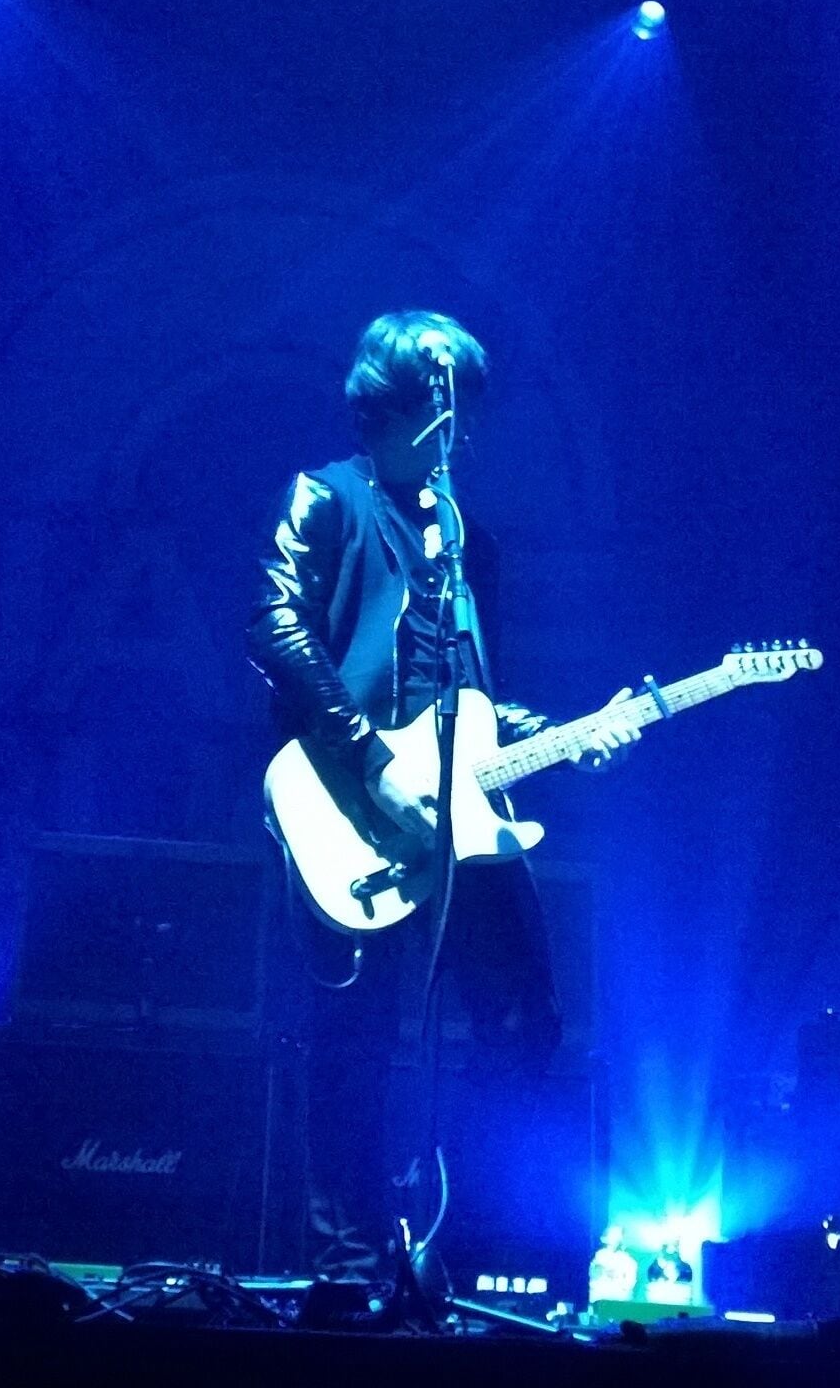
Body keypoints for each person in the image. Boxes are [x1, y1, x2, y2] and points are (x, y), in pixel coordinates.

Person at [244, 309, 640, 1282]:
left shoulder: (470, 545)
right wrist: (371, 759)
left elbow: (476, 701)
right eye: (440, 407)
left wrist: (570, 736)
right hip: (351, 802)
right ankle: (348, 1265)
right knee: (356, 1036)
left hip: (463, 815)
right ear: (388, 409)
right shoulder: (325, 498)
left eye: (464, 411)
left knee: (526, 1022)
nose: (458, 430)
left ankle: (458, 1251)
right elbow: (275, 628)